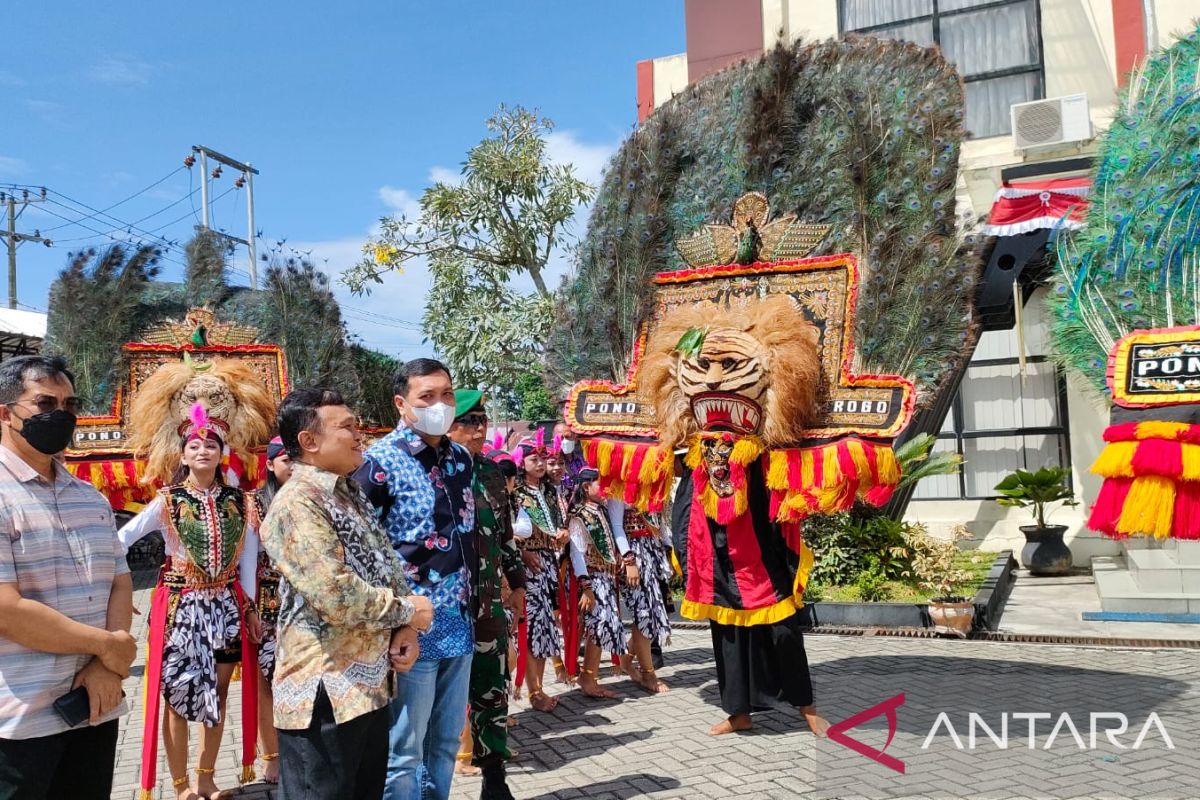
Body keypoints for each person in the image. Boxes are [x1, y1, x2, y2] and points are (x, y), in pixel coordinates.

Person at [261, 388, 432, 800]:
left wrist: (404, 627)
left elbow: (384, 565)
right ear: (309, 441)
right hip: (323, 693)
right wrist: (406, 609)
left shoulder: (346, 492)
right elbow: (336, 594)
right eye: (348, 427)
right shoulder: (297, 503)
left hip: (366, 690)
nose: (360, 436)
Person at [0, 355, 136, 800]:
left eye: (69, 403)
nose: (60, 414)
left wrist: (107, 666)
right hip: (20, 721)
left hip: (95, 706)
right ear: (5, 413)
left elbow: (119, 580)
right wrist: (107, 647)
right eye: (43, 403)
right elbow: (9, 612)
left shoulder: (90, 496)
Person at [119, 402, 263, 800]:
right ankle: (180, 785)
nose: (203, 451)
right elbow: (120, 540)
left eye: (211, 445)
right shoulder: (166, 501)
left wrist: (249, 609)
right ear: (182, 454)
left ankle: (206, 777)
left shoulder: (241, 502)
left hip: (227, 610)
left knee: (216, 692)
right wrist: (121, 590)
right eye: (195, 446)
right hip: (181, 609)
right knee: (178, 694)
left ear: (221, 453)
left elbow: (248, 560)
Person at [354, 359, 476, 800]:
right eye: (427, 397)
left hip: (458, 620)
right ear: (401, 404)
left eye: (447, 394)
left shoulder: (461, 458)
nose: (440, 405)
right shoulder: (377, 462)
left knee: (444, 743)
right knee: (404, 749)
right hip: (410, 627)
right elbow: (362, 547)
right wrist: (394, 620)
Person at [446, 391, 525, 800]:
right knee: (440, 697)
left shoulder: (492, 473)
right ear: (447, 426)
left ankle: (495, 780)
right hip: (445, 607)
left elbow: (507, 536)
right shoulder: (436, 472)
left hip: (488, 604)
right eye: (469, 421)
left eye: (483, 420)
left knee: (492, 692)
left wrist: (519, 584)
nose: (479, 429)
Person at [511, 436, 567, 712]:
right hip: (527, 565)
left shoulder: (548, 492)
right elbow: (507, 531)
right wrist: (521, 552)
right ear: (521, 464)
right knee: (531, 627)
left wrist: (564, 532)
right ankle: (533, 689)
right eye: (534, 459)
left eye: (543, 458)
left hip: (547, 564)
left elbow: (558, 523)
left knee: (545, 627)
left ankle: (538, 688)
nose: (541, 464)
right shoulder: (515, 493)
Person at [566, 469, 631, 700]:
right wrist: (586, 588)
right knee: (597, 628)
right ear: (586, 487)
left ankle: (589, 676)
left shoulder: (600, 510)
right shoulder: (579, 515)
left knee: (602, 628)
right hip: (592, 579)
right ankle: (587, 678)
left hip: (605, 577)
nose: (606, 490)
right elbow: (577, 554)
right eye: (601, 485)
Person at [254, 436, 290, 784]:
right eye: (285, 461)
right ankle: (273, 756)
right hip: (268, 601)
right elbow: (248, 559)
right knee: (269, 681)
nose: (292, 467)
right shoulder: (255, 504)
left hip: (307, 600)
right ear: (270, 465)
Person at [609, 504, 672, 694]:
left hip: (654, 550)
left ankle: (627, 660)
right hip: (634, 553)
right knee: (643, 614)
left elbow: (660, 519)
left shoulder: (653, 480)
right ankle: (648, 673)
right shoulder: (619, 481)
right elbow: (616, 524)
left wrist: (668, 548)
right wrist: (629, 560)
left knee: (653, 613)